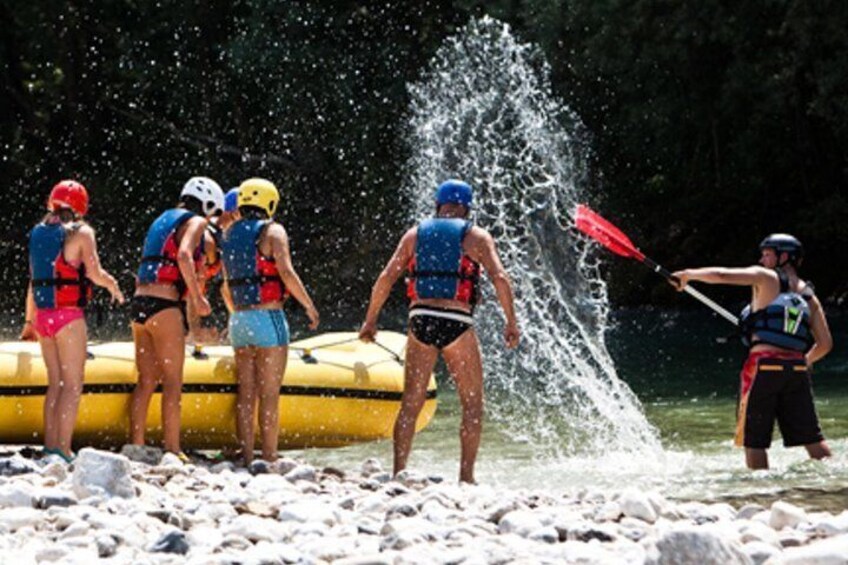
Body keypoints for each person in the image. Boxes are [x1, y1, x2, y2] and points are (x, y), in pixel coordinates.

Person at [359, 179, 520, 483]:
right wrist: (511, 321)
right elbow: (500, 277)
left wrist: (370, 320)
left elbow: (386, 277)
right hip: (456, 321)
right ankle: (466, 477)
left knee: (411, 402)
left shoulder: (415, 234)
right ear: (467, 206)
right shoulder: (476, 236)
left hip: (421, 319)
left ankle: (398, 472)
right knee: (472, 404)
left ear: (438, 204)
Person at [672, 234, 833, 469]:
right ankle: (836, 481)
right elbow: (825, 344)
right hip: (796, 370)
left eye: (767, 254)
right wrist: (804, 362)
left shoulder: (765, 278)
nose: (761, 259)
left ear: (784, 256)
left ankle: (760, 494)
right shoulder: (810, 297)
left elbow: (722, 275)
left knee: (754, 441)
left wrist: (688, 275)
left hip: (763, 368)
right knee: (813, 440)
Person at [22, 180, 125, 462]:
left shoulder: (38, 233)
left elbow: (34, 281)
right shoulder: (83, 233)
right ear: (81, 206)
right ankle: (64, 449)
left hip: (43, 317)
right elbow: (94, 272)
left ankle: (50, 446)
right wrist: (113, 284)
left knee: (55, 384)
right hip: (68, 316)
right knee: (73, 385)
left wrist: (29, 321)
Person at [221, 178, 319, 465]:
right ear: (270, 203)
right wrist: (309, 306)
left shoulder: (228, 234)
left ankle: (248, 455)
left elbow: (226, 285)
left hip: (239, 320)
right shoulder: (273, 231)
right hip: (269, 318)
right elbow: (286, 273)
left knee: (246, 394)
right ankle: (270, 456)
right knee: (269, 395)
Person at [129, 176, 224, 458]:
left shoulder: (162, 219)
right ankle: (173, 448)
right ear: (207, 204)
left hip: (139, 305)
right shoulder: (196, 222)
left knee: (146, 381)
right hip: (164, 304)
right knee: (172, 382)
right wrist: (197, 296)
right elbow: (183, 255)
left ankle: (137, 443)